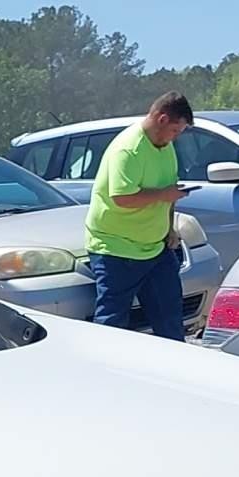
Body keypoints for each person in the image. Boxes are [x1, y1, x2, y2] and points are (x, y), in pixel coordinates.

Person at [83, 92, 193, 339]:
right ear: (162, 119)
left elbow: (169, 190)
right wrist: (163, 195)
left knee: (171, 320)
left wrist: (170, 228)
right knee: (113, 324)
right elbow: (122, 198)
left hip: (155, 248)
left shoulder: (166, 147)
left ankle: (178, 371)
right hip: (116, 250)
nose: (176, 137)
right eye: (175, 130)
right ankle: (109, 372)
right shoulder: (128, 148)